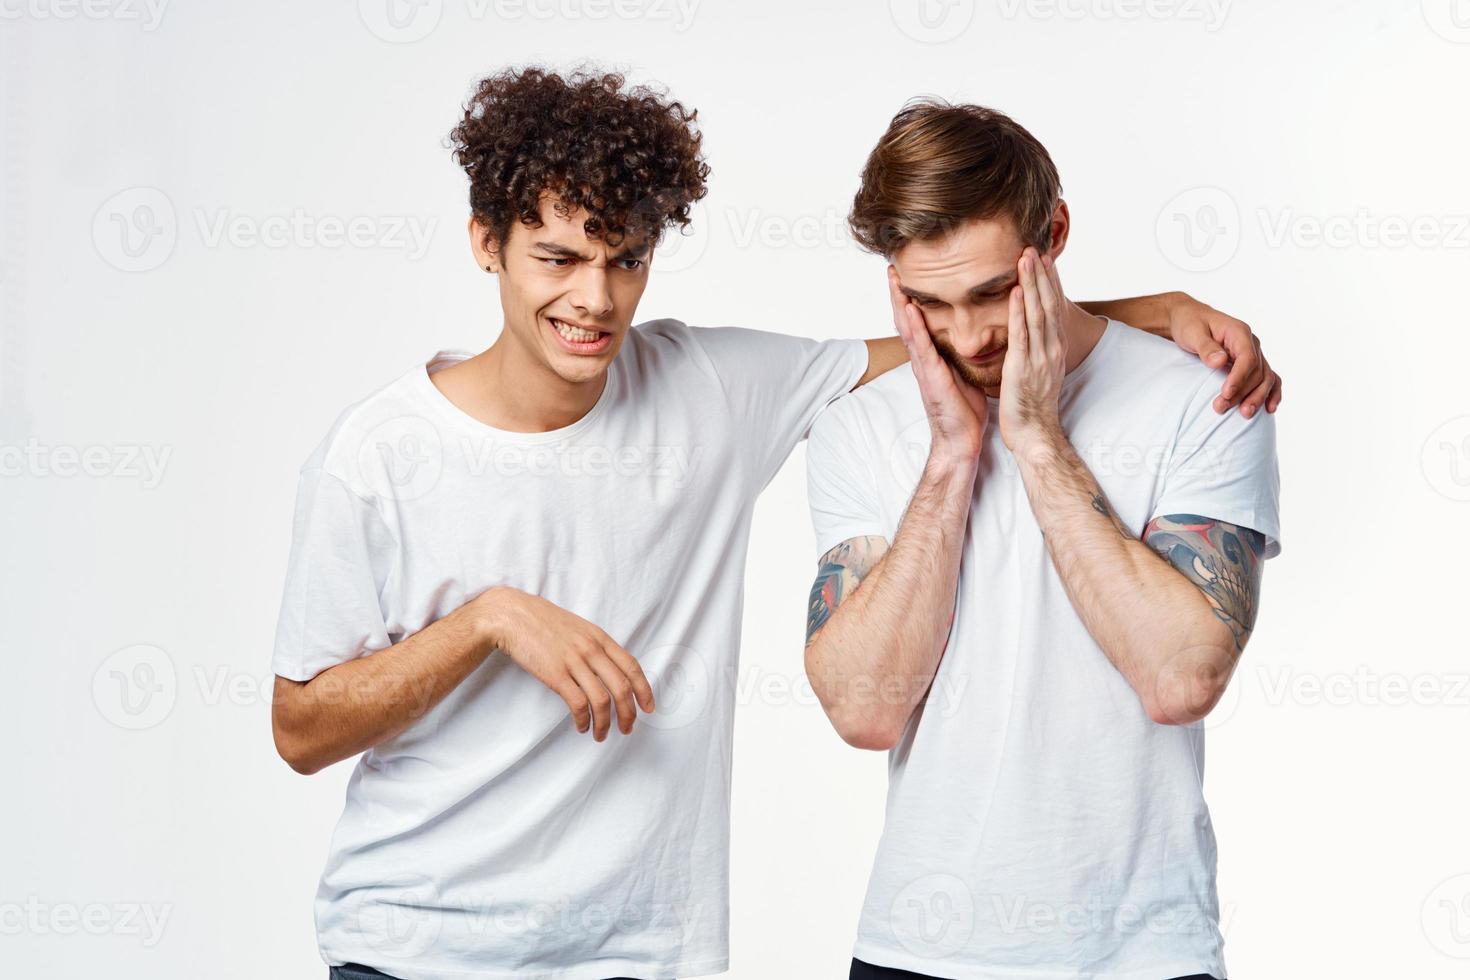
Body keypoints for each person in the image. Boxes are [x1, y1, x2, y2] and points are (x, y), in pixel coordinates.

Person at [270, 68, 1279, 980]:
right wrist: (484, 619)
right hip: (412, 946)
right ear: (486, 243)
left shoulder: (711, 387)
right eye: (558, 258)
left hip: (641, 950)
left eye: (625, 260)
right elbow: (299, 726)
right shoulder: (380, 453)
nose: (594, 297)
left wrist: (1147, 306)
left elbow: (945, 339)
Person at [804, 99, 1282, 980]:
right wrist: (953, 457)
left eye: (993, 291)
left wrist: (1037, 441)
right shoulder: (858, 426)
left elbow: (1182, 677)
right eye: (929, 303)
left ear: (1054, 231)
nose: (970, 334)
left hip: (1141, 952)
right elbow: (864, 709)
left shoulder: (1203, 397)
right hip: (915, 947)